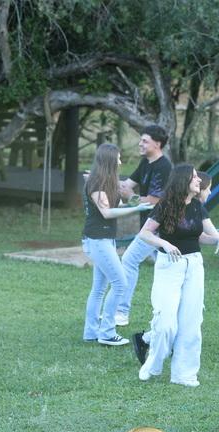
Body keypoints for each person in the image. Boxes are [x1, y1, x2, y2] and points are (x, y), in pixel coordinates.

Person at [130, 171, 219, 364]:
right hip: (169, 264)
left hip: (191, 265)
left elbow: (201, 236)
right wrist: (164, 244)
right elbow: (145, 233)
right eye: (208, 188)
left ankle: (151, 341)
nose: (209, 192)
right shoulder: (167, 205)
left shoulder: (197, 208)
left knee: (187, 316)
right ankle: (150, 342)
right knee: (170, 316)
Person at [82, 144, 153, 346]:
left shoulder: (107, 182)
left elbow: (117, 206)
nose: (120, 162)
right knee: (121, 283)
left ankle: (91, 332)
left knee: (99, 288)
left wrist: (137, 202)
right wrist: (137, 209)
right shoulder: (96, 183)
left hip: (105, 240)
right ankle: (107, 333)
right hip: (97, 241)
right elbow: (107, 212)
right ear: (110, 160)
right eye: (118, 158)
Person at [114, 125, 173, 326]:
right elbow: (126, 186)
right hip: (149, 225)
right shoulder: (146, 162)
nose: (140, 143)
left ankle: (121, 312)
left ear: (157, 144)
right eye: (141, 140)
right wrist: (102, 178)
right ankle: (166, 315)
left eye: (145, 141)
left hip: (158, 227)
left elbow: (155, 200)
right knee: (168, 269)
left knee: (129, 260)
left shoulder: (164, 167)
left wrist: (131, 197)